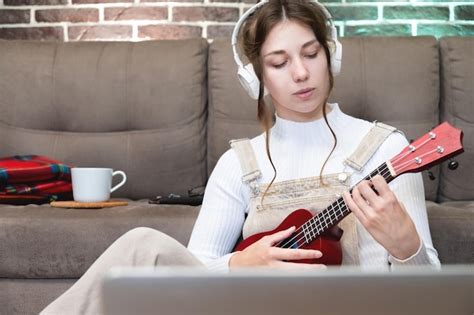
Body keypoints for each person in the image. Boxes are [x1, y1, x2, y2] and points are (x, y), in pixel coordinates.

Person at [41, 0, 440, 314]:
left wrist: (408, 248)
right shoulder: (239, 164)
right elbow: (192, 268)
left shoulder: (386, 149)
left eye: (311, 53)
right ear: (256, 78)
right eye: (279, 62)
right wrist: (240, 264)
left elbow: (433, 299)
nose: (300, 73)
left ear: (331, 55)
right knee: (143, 243)